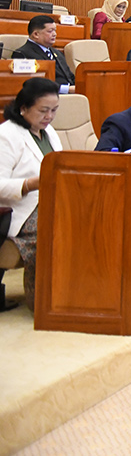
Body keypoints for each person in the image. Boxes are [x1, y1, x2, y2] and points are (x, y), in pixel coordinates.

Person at [0, 77, 62, 310]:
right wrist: (29, 184)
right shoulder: (7, 135)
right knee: (56, 226)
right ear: (23, 108)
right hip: (19, 210)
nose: (49, 116)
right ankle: (43, 301)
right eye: (43, 110)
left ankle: (71, 293)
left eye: (54, 110)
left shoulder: (49, 132)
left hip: (51, 201)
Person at [12, 15, 75, 92]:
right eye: (50, 31)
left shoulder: (57, 53)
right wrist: (67, 89)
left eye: (55, 30)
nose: (54, 34)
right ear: (36, 34)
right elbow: (35, 84)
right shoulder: (22, 54)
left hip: (71, 94)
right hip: (49, 95)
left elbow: (71, 77)